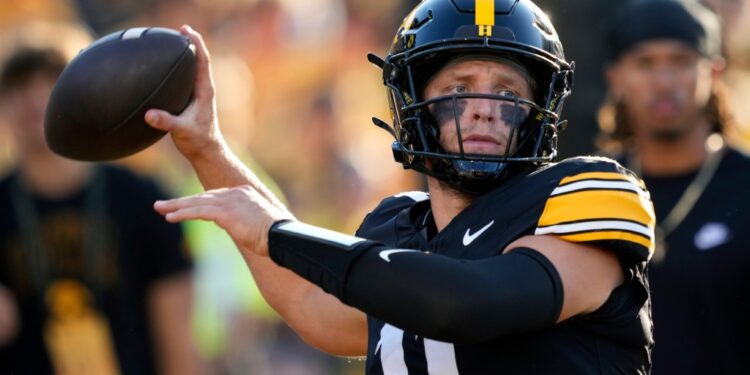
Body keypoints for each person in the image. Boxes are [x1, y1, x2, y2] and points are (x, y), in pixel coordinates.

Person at [148, 0, 656, 373]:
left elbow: (466, 303)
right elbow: (311, 306)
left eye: (507, 91)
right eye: (459, 89)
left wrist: (279, 233)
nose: (483, 107)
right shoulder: (397, 226)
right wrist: (208, 149)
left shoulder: (585, 193)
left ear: (536, 111)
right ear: (414, 105)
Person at [0, 24, 202, 375]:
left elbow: (179, 344)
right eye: (17, 85)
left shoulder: (144, 200)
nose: (33, 98)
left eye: (50, 79)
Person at [597, 0, 750, 373]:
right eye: (645, 63)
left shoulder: (744, 185)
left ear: (713, 72)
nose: (664, 82)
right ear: (616, 77)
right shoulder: (592, 187)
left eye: (682, 61)